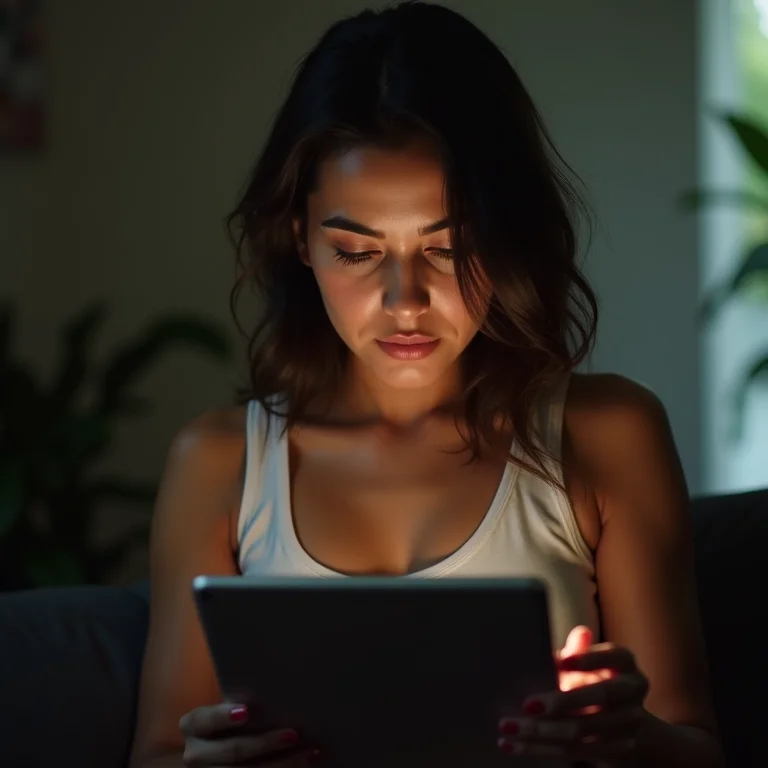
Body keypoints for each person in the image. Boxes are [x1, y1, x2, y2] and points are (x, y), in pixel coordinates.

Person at [128, 2, 724, 767]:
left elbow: (696, 744)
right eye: (356, 252)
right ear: (300, 239)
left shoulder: (608, 433)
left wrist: (628, 740)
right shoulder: (220, 462)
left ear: (507, 237)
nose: (405, 301)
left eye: (451, 248)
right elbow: (157, 751)